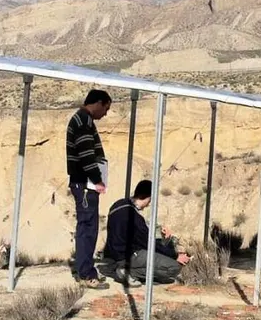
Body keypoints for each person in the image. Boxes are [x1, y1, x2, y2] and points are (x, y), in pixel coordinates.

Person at [104, 180, 190, 286]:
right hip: (128, 255)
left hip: (114, 253)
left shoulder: (118, 205)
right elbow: (149, 243)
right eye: (150, 199)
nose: (149, 203)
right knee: (174, 267)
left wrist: (165, 241)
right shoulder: (135, 218)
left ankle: (124, 268)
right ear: (146, 196)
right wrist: (175, 256)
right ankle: (130, 272)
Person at [67, 89, 111, 288]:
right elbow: (86, 155)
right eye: (106, 108)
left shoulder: (81, 119)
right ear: (99, 103)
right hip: (85, 183)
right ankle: (86, 274)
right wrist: (98, 180)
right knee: (88, 228)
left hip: (82, 182)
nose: (106, 114)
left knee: (87, 227)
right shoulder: (84, 121)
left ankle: (84, 269)